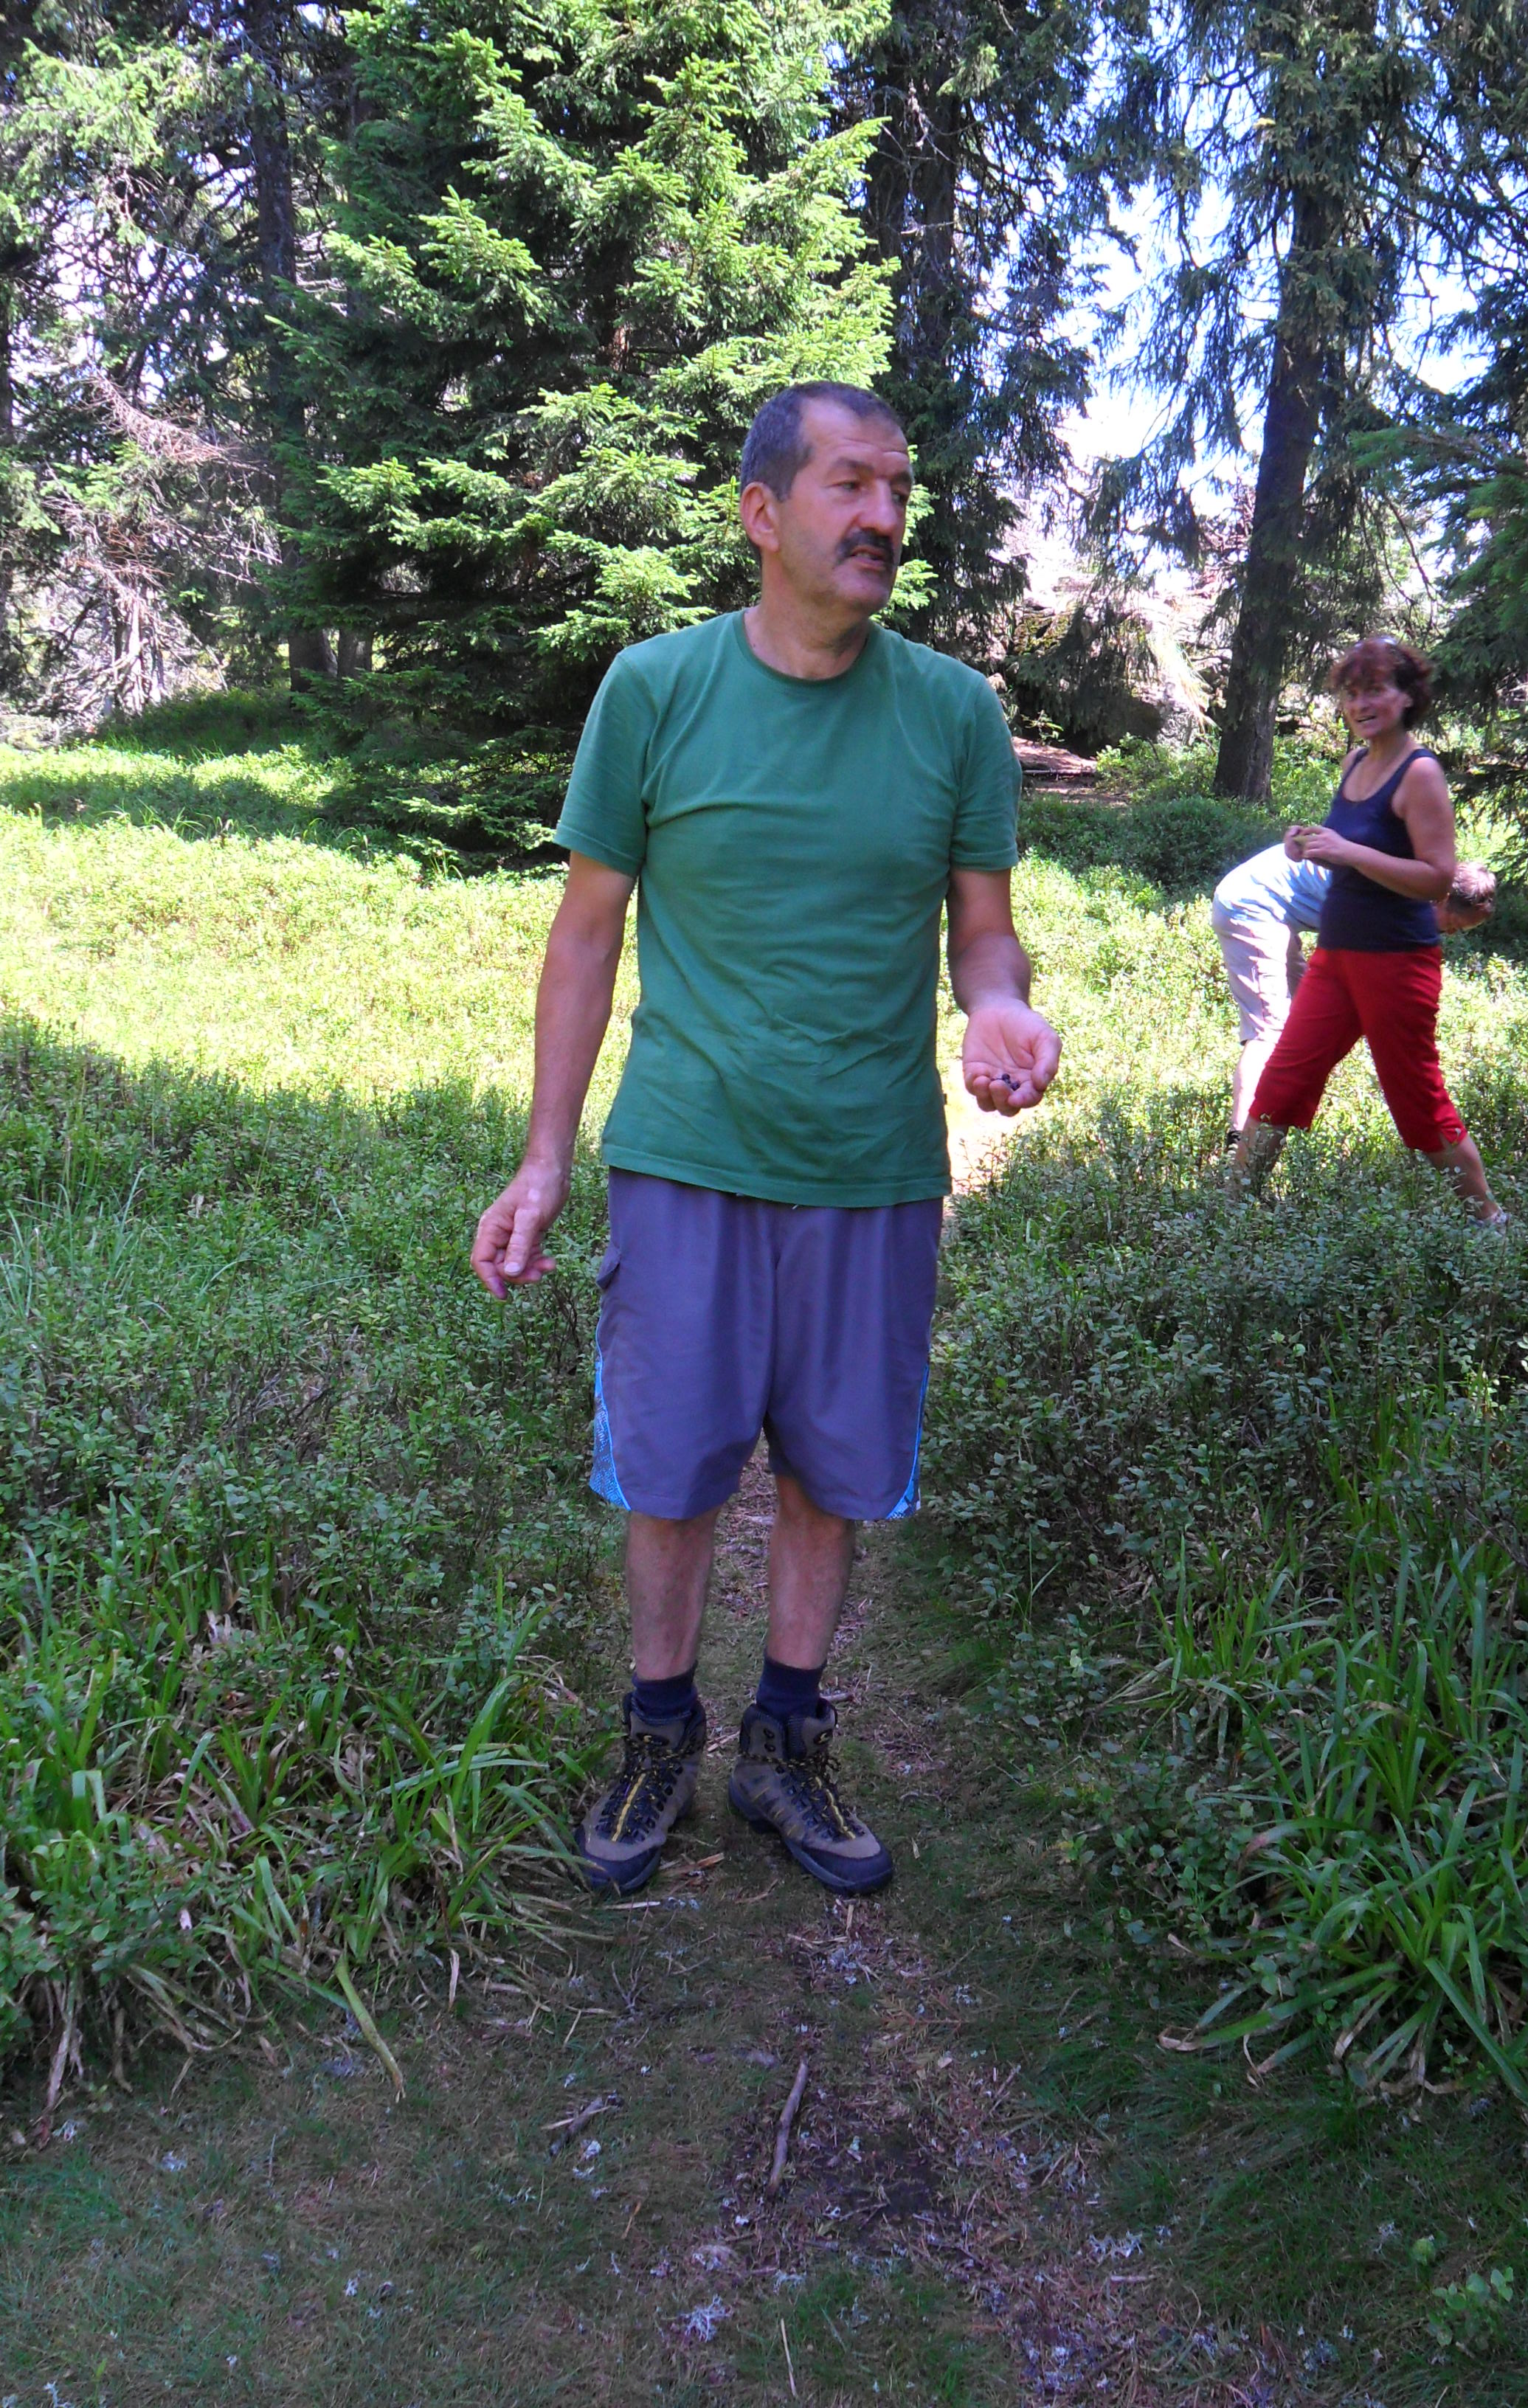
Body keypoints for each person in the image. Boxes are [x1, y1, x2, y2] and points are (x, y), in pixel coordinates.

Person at [469, 382, 1061, 1900]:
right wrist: (544, 1155)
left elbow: (984, 934)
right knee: (671, 1468)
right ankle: (658, 1730)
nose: (883, 517)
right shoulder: (655, 690)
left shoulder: (953, 712)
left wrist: (1001, 1006)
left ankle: (786, 1742)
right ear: (762, 512)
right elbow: (584, 935)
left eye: (898, 489)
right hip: (687, 1148)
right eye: (850, 484)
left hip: (873, 1162)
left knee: (833, 1468)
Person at [1227, 637, 1503, 1223]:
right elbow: (1355, 853)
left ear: (1407, 697)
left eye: (1375, 689)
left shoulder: (1420, 773)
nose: (1360, 704)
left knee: (1416, 1100)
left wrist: (1348, 851)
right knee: (1283, 1080)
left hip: (1397, 962)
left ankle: (1489, 1222)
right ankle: (1231, 1210)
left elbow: (1436, 879)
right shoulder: (1355, 762)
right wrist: (1308, 845)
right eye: (1351, 693)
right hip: (1336, 957)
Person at [1210, 843, 1331, 1136]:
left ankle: (1289, 1107)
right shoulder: (1379, 885)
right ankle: (1239, 1139)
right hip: (1250, 907)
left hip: (1273, 911)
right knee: (1269, 1029)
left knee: (1310, 1007)